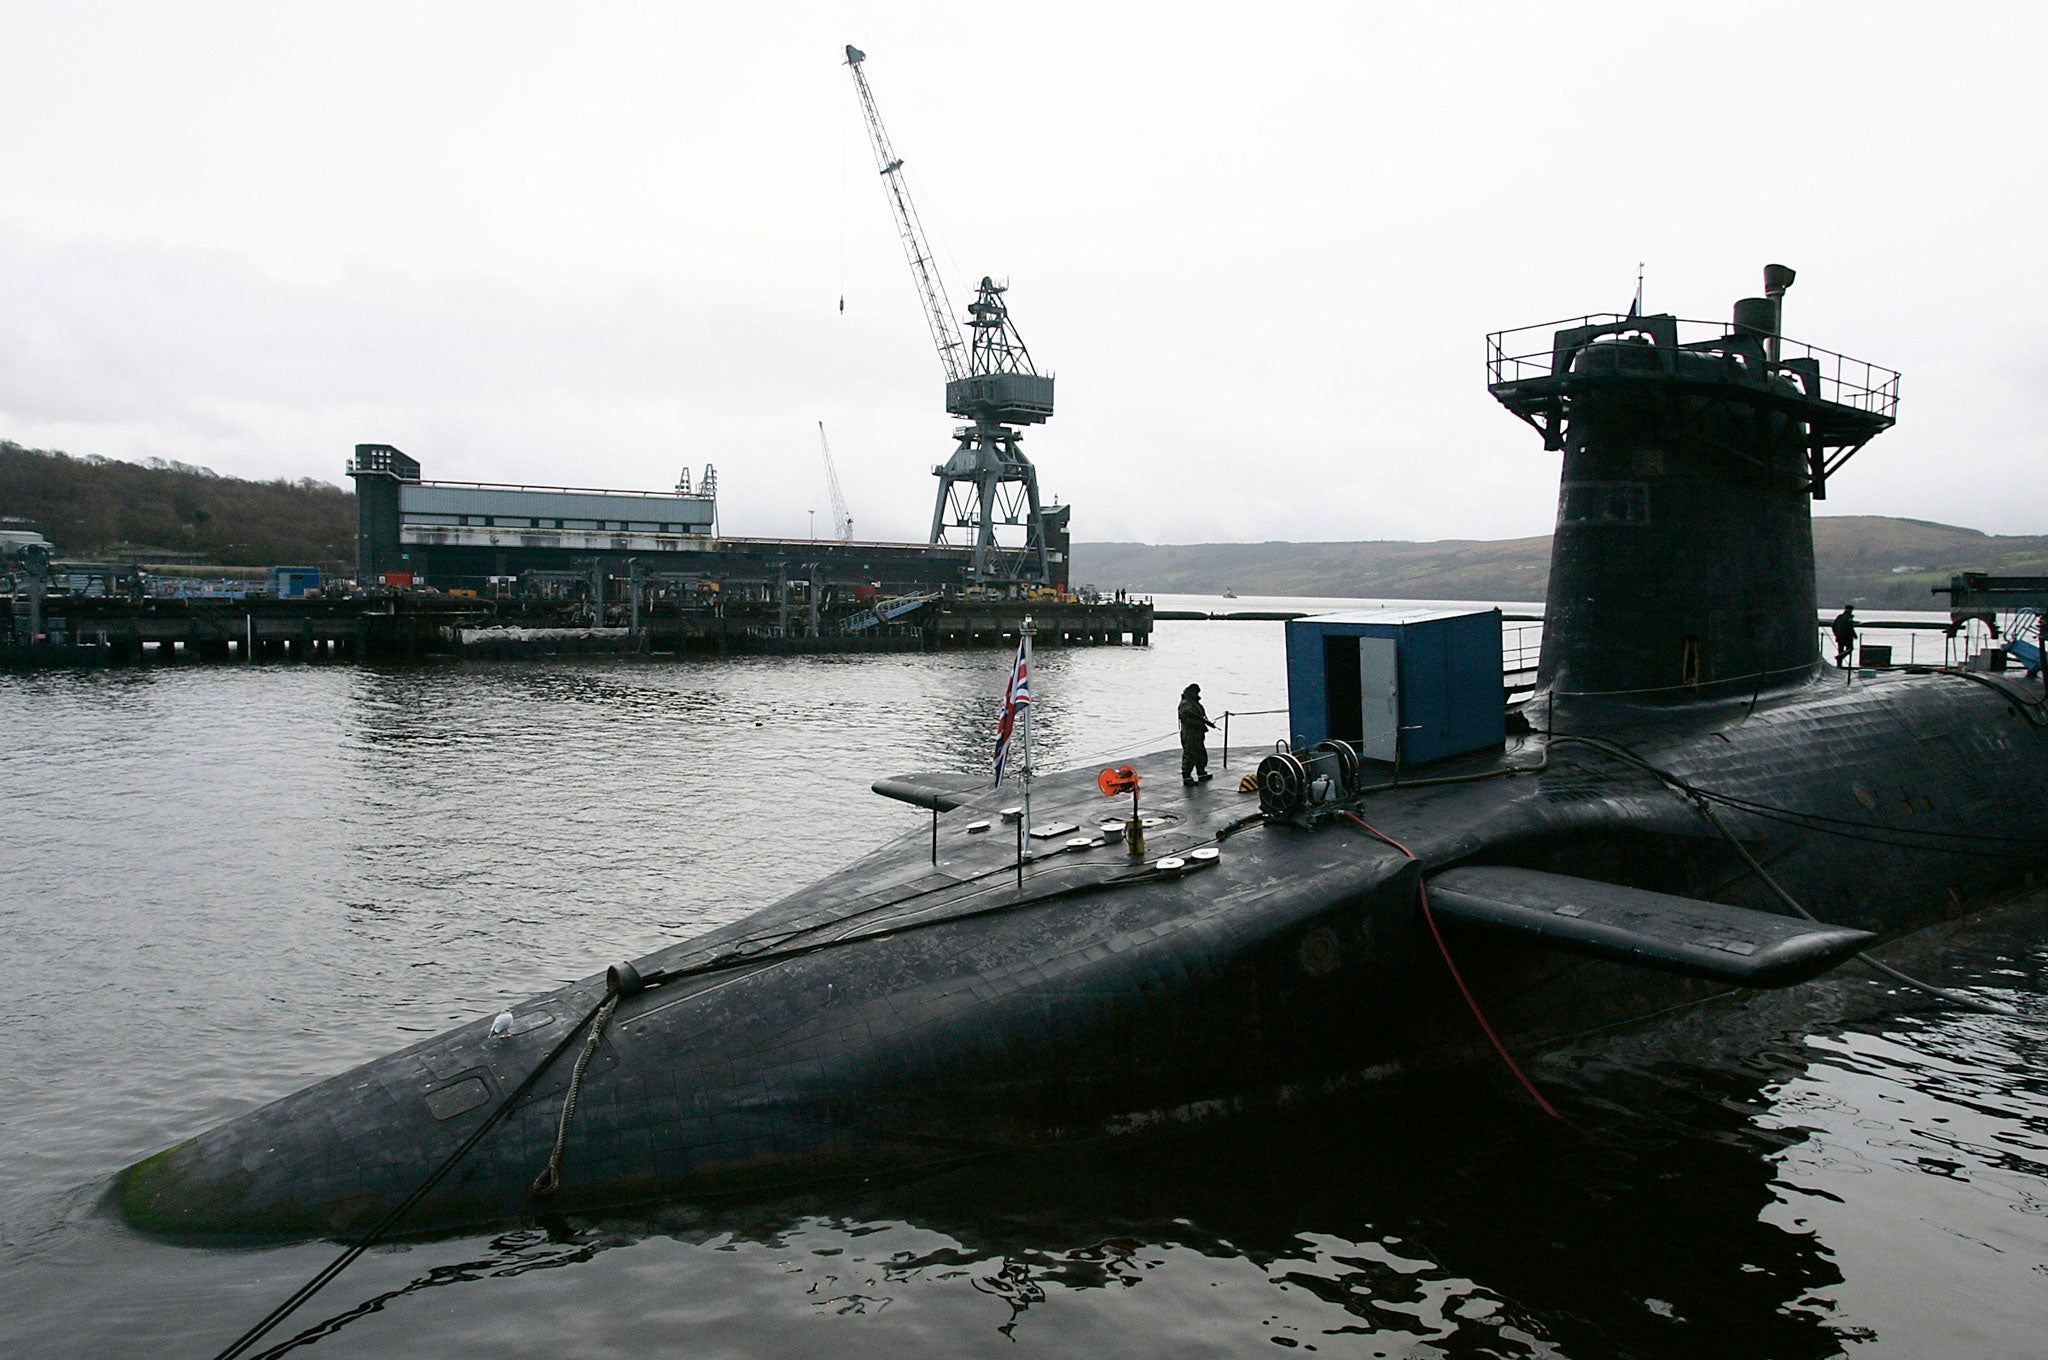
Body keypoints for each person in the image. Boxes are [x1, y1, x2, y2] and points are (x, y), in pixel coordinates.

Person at [1178, 683, 1216, 784]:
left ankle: (1201, 772)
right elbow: (1187, 718)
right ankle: (1186, 776)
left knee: (1201, 754)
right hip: (1190, 733)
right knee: (1190, 754)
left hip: (1197, 733)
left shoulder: (1193, 702)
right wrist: (1200, 723)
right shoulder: (1186, 704)